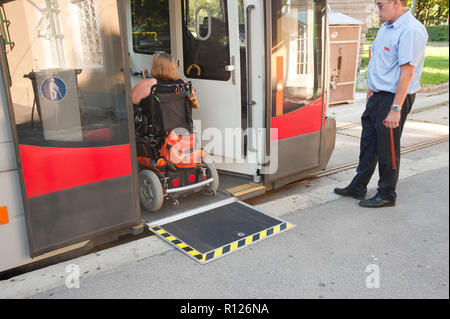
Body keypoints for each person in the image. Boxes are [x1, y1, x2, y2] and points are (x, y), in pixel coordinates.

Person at [334, 0, 428, 208]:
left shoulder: (411, 30)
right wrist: (371, 89)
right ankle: (358, 186)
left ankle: (387, 193)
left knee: (388, 147)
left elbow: (407, 72)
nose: (377, 10)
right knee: (368, 143)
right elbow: (379, 61)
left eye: (380, 5)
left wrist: (396, 108)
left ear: (396, 2)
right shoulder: (386, 28)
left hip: (394, 98)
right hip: (378, 95)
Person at [132, 53, 199, 108]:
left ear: (155, 66)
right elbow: (194, 105)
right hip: (180, 123)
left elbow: (131, 101)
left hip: (154, 123)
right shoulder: (184, 84)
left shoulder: (149, 84)